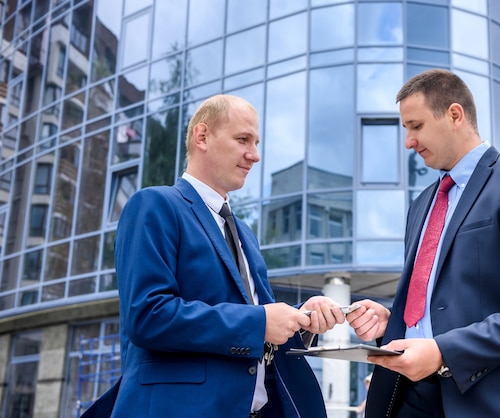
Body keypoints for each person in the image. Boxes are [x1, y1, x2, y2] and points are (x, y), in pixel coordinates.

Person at [346, 69, 500, 417]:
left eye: (416, 126)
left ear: (455, 114)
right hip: (410, 398)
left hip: (494, 400)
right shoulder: (422, 204)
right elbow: (446, 306)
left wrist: (443, 350)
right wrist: (395, 323)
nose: (408, 141)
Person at [108, 94, 346, 417]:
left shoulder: (245, 234)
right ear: (202, 136)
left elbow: (255, 325)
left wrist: (302, 318)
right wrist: (261, 321)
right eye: (243, 140)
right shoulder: (154, 206)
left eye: (257, 142)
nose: (255, 155)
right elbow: (148, 315)